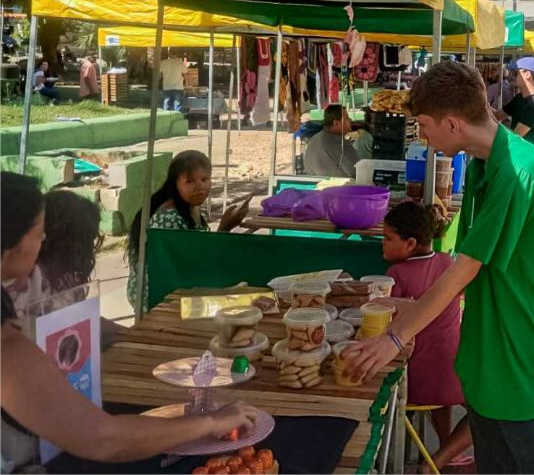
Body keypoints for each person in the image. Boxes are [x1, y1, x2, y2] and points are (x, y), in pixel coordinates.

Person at [344, 62, 534, 474]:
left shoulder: (519, 171)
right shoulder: (483, 162)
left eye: (424, 126)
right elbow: (464, 266)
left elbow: (464, 268)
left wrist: (395, 339)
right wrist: (404, 307)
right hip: (487, 356)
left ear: (452, 124)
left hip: (523, 357)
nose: (423, 137)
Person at [0, 172, 259, 472]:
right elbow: (103, 438)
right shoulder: (9, 348)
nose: (44, 242)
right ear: (8, 246)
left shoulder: (24, 292)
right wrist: (212, 420)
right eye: (38, 233)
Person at [382, 202, 473, 473]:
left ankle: (437, 459)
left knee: (443, 388)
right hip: (450, 375)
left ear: (410, 243)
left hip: (412, 386)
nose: (382, 244)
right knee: (489, 412)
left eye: (387, 238)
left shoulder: (395, 275)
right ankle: (444, 454)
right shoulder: (448, 263)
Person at [126, 151, 249, 312]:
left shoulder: (191, 208)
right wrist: (224, 228)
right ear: (175, 183)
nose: (200, 186)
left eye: (205, 179)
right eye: (190, 181)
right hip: (157, 298)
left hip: (176, 291)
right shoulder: (169, 218)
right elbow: (192, 263)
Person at [303, 104, 360, 178]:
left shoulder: (316, 138)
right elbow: (357, 171)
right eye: (347, 118)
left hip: (316, 185)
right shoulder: (337, 144)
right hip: (338, 187)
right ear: (336, 123)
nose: (350, 120)